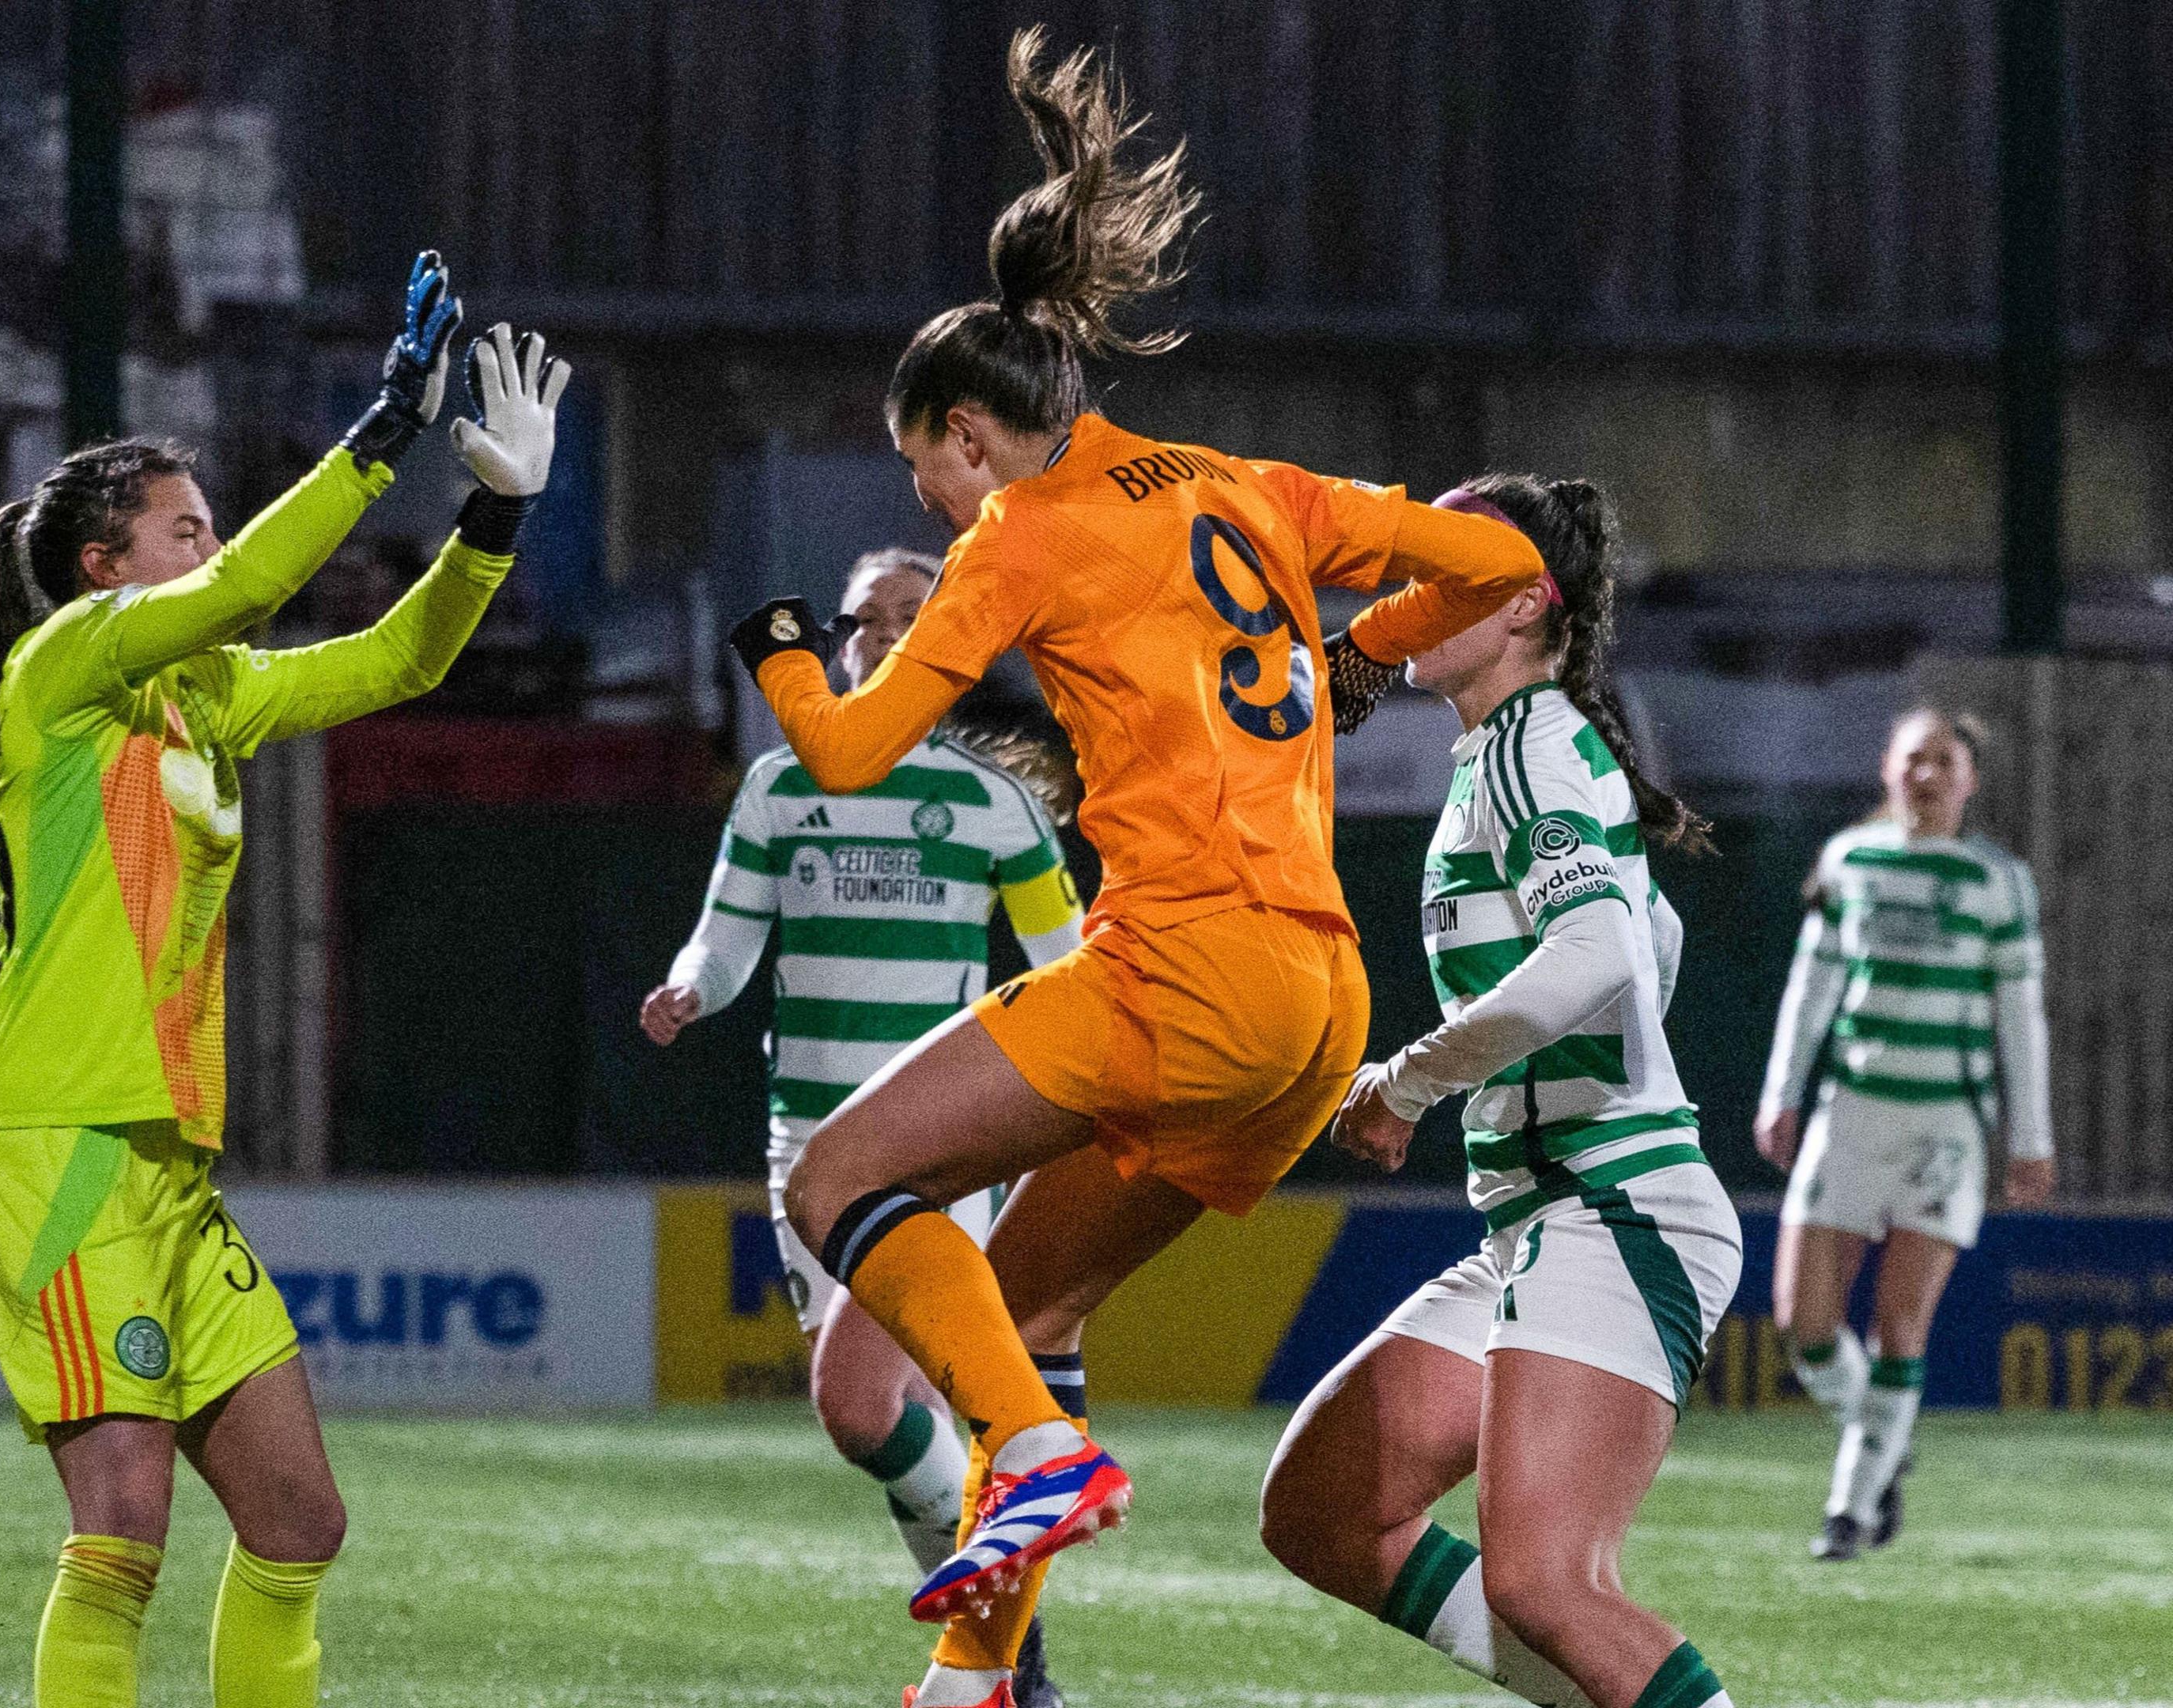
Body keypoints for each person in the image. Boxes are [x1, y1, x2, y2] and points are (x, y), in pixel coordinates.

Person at [721, 29, 1545, 1708]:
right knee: (1024, 1312)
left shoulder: (1025, 529)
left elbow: (853, 750)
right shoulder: (1253, 488)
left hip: (1185, 966)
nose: (936, 507)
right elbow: (1507, 554)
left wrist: (784, 649)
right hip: (1318, 1009)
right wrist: (1367, 657)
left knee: (838, 1186)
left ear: (968, 432)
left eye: (922, 472)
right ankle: (975, 1684)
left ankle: (1027, 1453)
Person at [0, 250, 572, 1708]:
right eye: (185, 529)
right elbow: (269, 577)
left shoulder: (209, 697)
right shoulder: (63, 673)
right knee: (125, 1521)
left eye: (213, 526)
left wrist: (494, 516)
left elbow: (398, 663)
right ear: (103, 568)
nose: (215, 550)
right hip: (57, 1146)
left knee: (296, 1520)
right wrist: (380, 435)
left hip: (168, 1166)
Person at [1259, 474, 1742, 1708]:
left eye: (1439, 577)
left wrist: (1410, 1082)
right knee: (1324, 1511)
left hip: (1615, 1206)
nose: (1402, 599)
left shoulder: (1529, 744)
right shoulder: (1514, 752)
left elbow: (1601, 955)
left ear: (1526, 604)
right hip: (1548, 1215)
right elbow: (1653, 938)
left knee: (1547, 1584)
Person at [644, 547, 1087, 1706]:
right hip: (808, 1150)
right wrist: (692, 987)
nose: (882, 638)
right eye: (860, 622)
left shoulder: (995, 807)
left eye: (908, 617)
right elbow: (726, 943)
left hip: (944, 1147)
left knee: (868, 1408)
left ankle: (1004, 1656)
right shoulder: (781, 788)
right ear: (834, 647)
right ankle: (1001, 1657)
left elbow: (1071, 970)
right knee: (889, 1432)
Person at [1754, 705, 2053, 1560]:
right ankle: (1883, 1441)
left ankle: (1850, 1510)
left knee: (1899, 1326)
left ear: (1970, 781)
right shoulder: (1849, 861)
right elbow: (1811, 985)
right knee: (1805, 1326)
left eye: (1944, 762)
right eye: (1914, 758)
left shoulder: (1998, 882)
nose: (1927, 775)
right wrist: (1783, 1092)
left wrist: (2031, 1136)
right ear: (1887, 768)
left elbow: (2020, 1018)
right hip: (1850, 1113)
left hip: (1943, 1125)